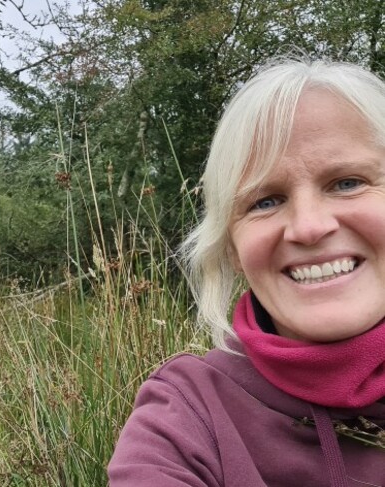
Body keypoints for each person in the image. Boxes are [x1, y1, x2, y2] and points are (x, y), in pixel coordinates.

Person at [108, 57, 385, 486]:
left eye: (347, 182)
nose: (309, 227)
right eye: (265, 201)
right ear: (233, 248)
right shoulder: (186, 415)